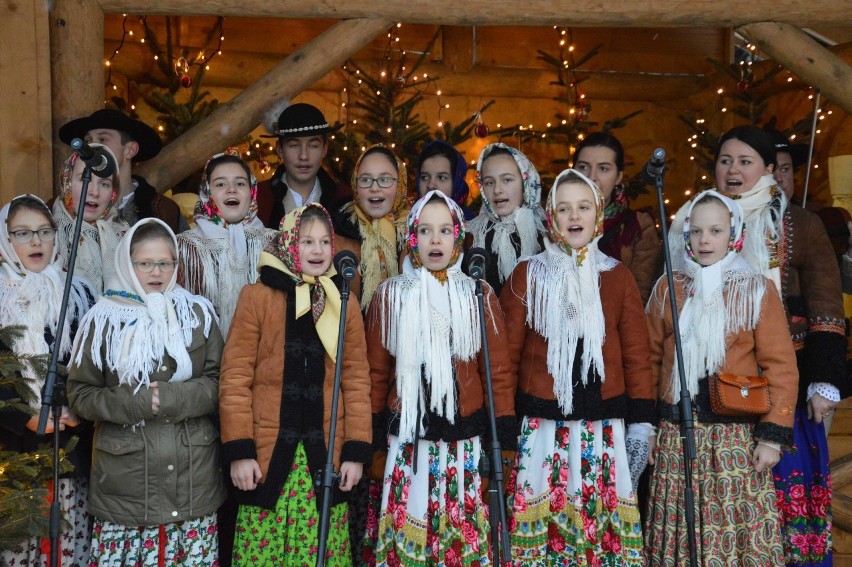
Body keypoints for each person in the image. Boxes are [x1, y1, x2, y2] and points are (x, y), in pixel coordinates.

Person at [669, 126, 846, 566]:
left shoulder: (799, 223)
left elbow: (826, 305)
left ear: (768, 169)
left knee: (785, 488)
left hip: (786, 381)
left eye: (745, 161)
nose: (733, 169)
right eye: (725, 160)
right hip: (714, 392)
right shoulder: (692, 221)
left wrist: (822, 380)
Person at [500, 170, 653, 565]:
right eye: (563, 208)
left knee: (597, 529)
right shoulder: (528, 274)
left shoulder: (616, 276)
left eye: (583, 207)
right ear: (550, 217)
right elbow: (506, 355)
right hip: (543, 425)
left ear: (598, 214)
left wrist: (641, 423)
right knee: (543, 525)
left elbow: (637, 355)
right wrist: (503, 418)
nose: (573, 216)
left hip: (600, 427)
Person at [646, 190, 798, 565]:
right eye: (696, 231)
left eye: (715, 230)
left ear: (735, 234)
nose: (704, 240)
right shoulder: (669, 288)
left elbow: (780, 364)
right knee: (679, 523)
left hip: (732, 436)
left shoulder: (755, 288)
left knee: (731, 524)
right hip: (675, 434)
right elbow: (649, 360)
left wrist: (771, 437)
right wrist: (645, 426)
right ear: (685, 236)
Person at [367, 190, 515, 565]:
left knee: (459, 537)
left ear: (458, 238)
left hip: (461, 438)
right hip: (409, 439)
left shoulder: (478, 295)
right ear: (413, 239)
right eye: (426, 230)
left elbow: (496, 373)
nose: (436, 239)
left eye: (445, 231)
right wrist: (369, 442)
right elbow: (377, 371)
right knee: (411, 530)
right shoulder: (391, 296)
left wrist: (505, 437)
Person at [219, 204, 372, 565]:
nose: (317, 251)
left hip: (325, 456)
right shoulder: (257, 297)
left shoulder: (342, 301)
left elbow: (356, 380)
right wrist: (239, 451)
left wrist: (355, 451)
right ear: (288, 243)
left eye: (324, 242)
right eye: (306, 241)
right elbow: (235, 378)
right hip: (267, 456)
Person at [67, 218, 226, 566]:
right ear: (127, 263)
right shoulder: (103, 319)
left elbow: (219, 383)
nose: (157, 272)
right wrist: (137, 403)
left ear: (175, 265)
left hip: (192, 480)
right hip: (125, 487)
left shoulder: (197, 313)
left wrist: (172, 397)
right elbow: (80, 394)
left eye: (165, 263)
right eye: (145, 263)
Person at [0, 195, 96, 566]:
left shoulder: (81, 292)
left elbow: (93, 362)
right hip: (15, 448)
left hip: (71, 444)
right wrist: (25, 415)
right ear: (6, 240)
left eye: (44, 231)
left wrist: (78, 407)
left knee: (69, 542)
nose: (36, 242)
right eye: (22, 233)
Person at [177, 151, 276, 337]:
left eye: (240, 183)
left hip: (264, 358)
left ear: (252, 191)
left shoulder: (275, 244)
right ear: (207, 193)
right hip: (206, 361)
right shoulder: (184, 247)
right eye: (220, 184)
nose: (232, 189)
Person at [59, 108, 188, 234]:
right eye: (88, 141)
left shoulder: (164, 211)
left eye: (103, 139)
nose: (92, 147)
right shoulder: (64, 207)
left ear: (130, 150)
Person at [573, 132, 661, 303]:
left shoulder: (637, 225)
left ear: (618, 177)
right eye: (583, 167)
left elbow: (638, 298)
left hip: (615, 324)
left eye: (603, 168)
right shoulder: (553, 221)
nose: (591, 177)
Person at [335, 144, 412, 313]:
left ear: (400, 183)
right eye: (365, 180)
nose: (374, 188)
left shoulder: (416, 231)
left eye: (385, 179)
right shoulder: (339, 229)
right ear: (355, 185)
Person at [256, 102, 352, 228]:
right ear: (280, 150)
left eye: (313, 146)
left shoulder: (345, 200)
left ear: (325, 149)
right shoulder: (258, 199)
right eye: (294, 145)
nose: (304, 156)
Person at [467, 143, 545, 296]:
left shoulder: (546, 235)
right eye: (489, 182)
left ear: (525, 183)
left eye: (507, 180)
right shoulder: (472, 236)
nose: (497, 190)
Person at [52, 144, 128, 296]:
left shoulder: (126, 240)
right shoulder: (47, 235)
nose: (94, 192)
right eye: (84, 179)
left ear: (113, 192)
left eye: (104, 184)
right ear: (67, 182)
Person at [416, 140, 473, 219]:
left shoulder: (472, 228)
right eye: (424, 177)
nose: (431, 185)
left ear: (456, 183)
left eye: (441, 177)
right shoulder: (407, 225)